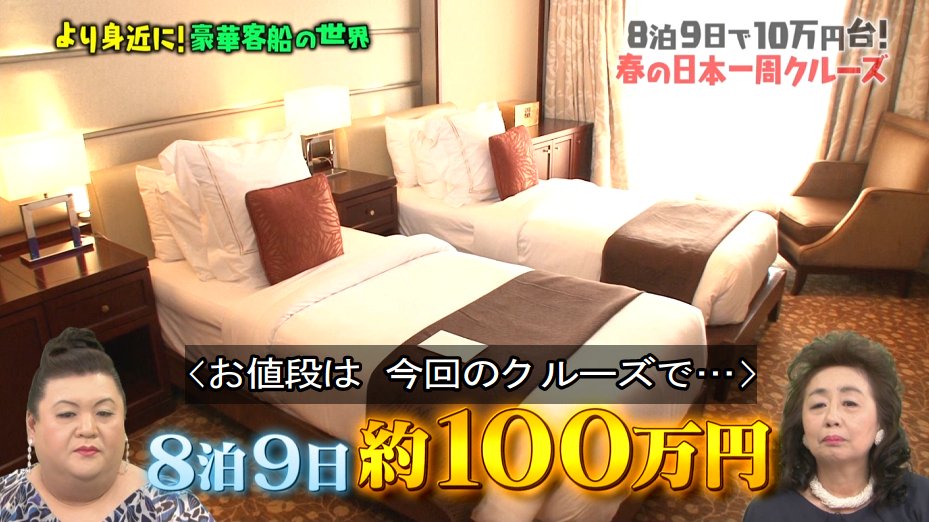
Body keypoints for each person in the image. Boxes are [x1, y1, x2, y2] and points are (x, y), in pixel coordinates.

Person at [0, 327, 214, 521]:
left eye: (104, 412)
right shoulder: (5, 497)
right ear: (32, 425)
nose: (88, 429)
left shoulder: (173, 509)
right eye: (67, 414)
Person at [744, 331, 929, 521]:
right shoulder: (766, 510)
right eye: (818, 405)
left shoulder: (921, 499)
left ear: (881, 422)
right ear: (802, 427)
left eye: (850, 403)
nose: (831, 417)